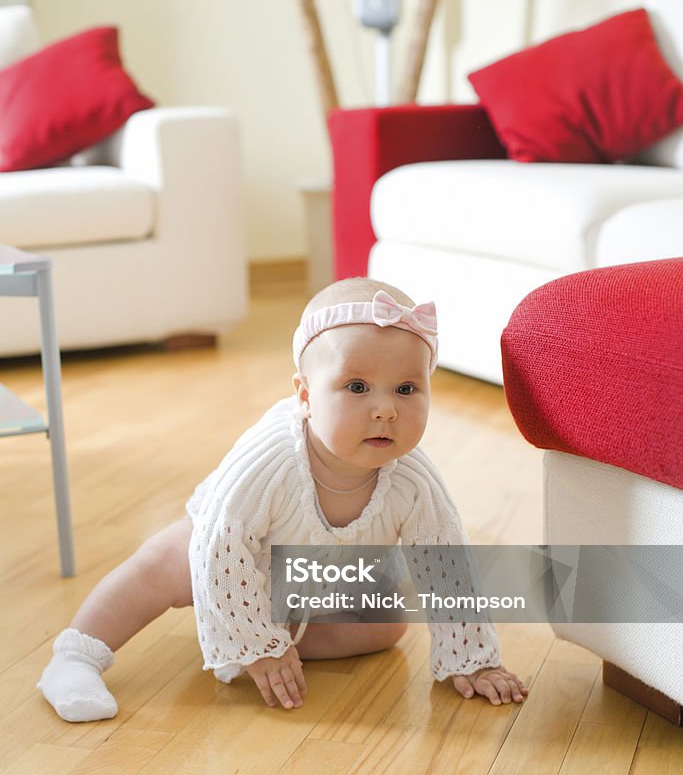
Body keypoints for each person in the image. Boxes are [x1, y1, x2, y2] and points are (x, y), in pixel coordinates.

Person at [38, 277, 528, 722]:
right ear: (306, 396)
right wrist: (254, 643)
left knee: (387, 624)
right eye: (356, 387)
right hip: (227, 549)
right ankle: (76, 657)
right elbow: (220, 545)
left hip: (312, 575)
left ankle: (270, 634)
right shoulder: (271, 459)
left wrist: (474, 658)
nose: (385, 410)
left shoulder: (414, 479)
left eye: (406, 389)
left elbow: (447, 564)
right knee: (162, 565)